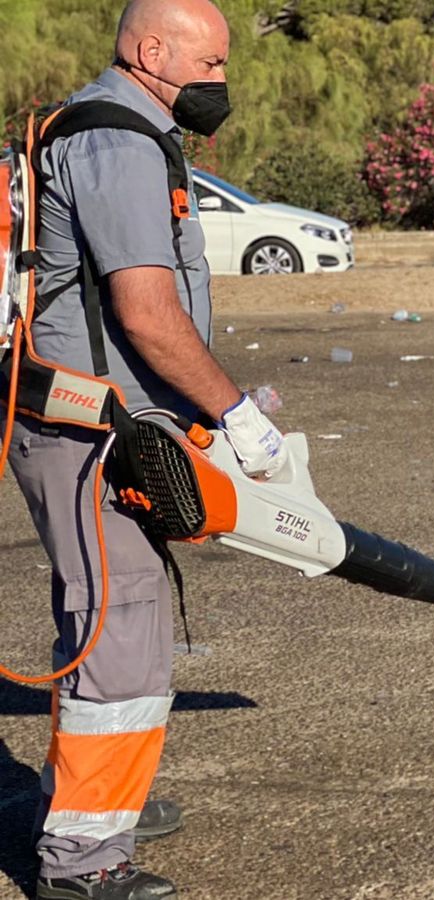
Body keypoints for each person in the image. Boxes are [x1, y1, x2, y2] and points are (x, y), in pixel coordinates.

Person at [10, 1, 286, 897]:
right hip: (87, 430)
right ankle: (84, 859)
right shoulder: (119, 141)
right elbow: (147, 314)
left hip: (93, 423)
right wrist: (235, 413)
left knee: (103, 620)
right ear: (152, 49)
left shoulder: (105, 129)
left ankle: (91, 803)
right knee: (119, 631)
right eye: (210, 64)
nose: (221, 81)